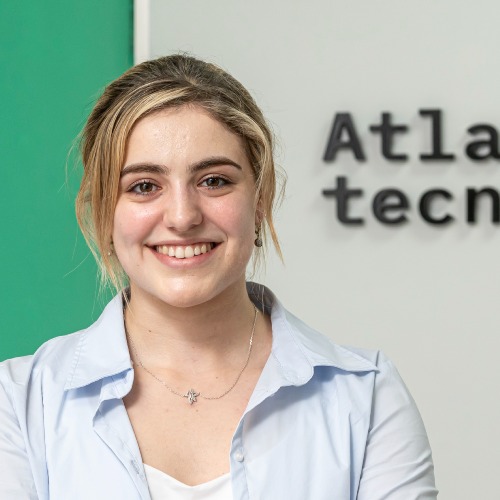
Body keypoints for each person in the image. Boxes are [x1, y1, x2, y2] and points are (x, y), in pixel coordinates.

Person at [0, 55, 438, 500]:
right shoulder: (18, 404)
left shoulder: (368, 397)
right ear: (104, 213)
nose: (182, 216)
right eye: (144, 186)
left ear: (260, 200)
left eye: (213, 181)